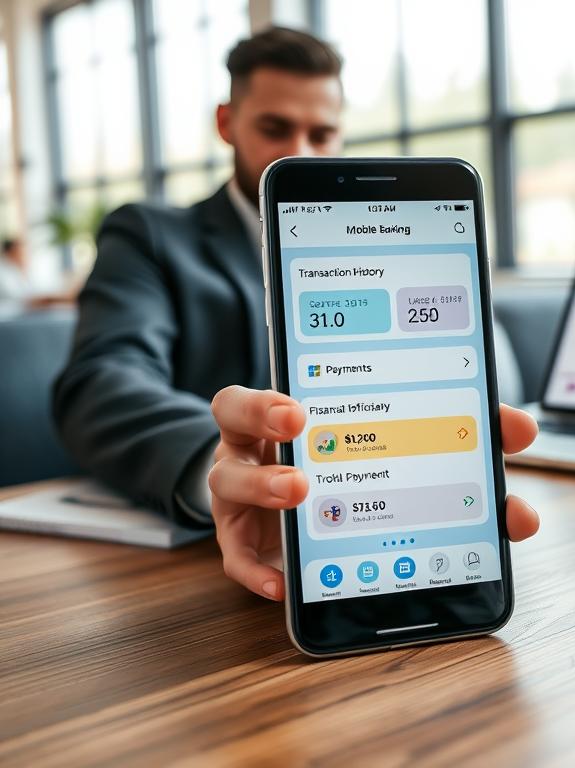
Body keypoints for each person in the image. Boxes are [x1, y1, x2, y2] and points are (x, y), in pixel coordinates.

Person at [53, 27, 540, 601]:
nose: (302, 152)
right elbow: (100, 380)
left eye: (322, 132)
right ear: (227, 123)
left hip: (376, 530)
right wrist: (215, 466)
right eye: (276, 128)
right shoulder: (150, 237)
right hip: (207, 570)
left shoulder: (385, 241)